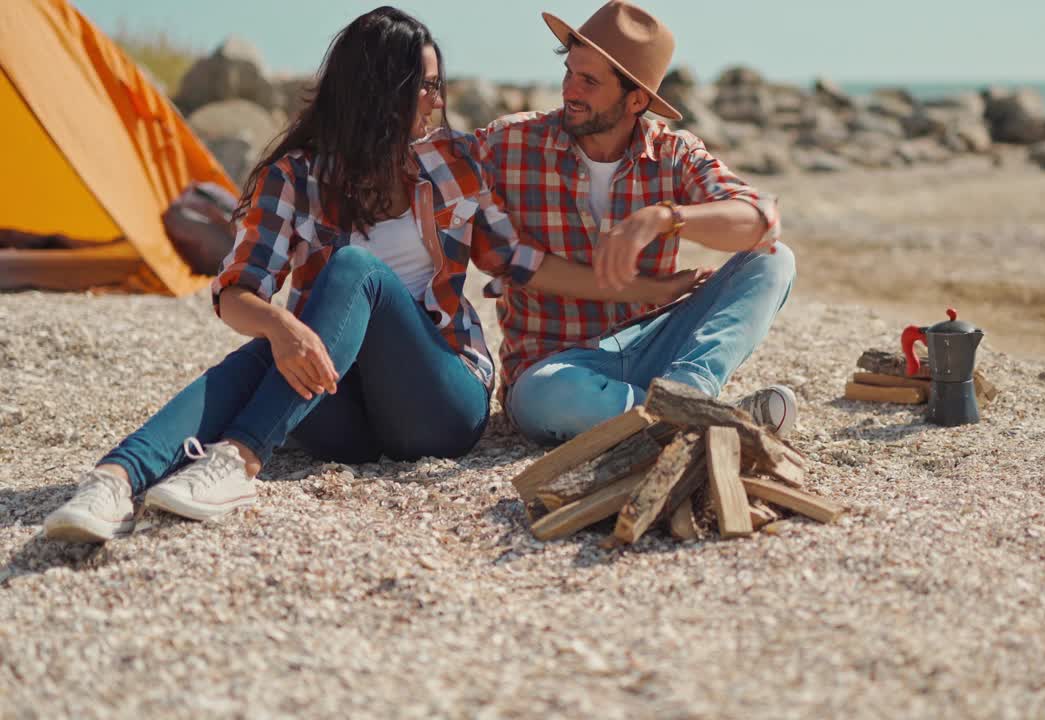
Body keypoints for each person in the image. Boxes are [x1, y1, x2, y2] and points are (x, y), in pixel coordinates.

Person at [42, 6, 699, 543]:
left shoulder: (452, 163)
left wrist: (651, 290)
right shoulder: (294, 176)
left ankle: (238, 458)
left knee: (353, 270)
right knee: (260, 350)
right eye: (427, 85)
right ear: (380, 91)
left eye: (440, 83)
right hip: (338, 413)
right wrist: (281, 328)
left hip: (440, 402)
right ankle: (112, 481)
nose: (440, 101)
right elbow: (236, 291)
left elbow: (522, 263)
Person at [473, 1, 799, 446]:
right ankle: (704, 419)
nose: (570, 89)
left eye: (589, 81)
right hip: (557, 365)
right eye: (570, 72)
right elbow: (445, 196)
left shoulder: (674, 153)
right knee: (545, 398)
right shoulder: (507, 144)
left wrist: (665, 217)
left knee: (774, 260)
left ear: (637, 99)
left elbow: (760, 220)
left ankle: (688, 398)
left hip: (657, 345)